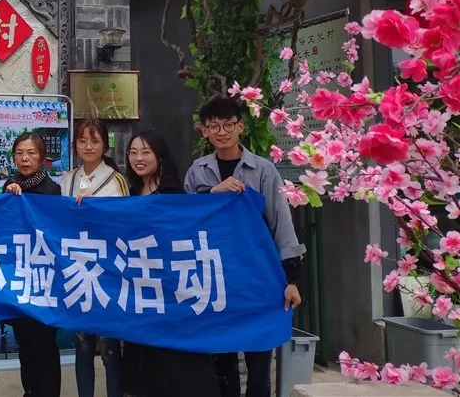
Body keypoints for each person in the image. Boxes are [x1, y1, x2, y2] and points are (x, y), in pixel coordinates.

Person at [184, 97, 306, 397]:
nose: (222, 132)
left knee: (259, 364)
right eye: (214, 126)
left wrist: (291, 279)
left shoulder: (263, 170)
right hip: (217, 279)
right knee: (222, 364)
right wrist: (213, 193)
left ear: (240, 126)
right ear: (204, 131)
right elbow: (186, 219)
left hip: (258, 278)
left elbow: (281, 223)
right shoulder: (197, 171)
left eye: (228, 125)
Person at [124, 130, 219, 397]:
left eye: (146, 152)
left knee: (170, 364)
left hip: (170, 289)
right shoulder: (129, 194)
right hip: (139, 289)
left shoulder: (175, 193)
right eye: (133, 153)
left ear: (160, 156)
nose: (138, 158)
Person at [58, 118, 127, 397]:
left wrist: (96, 208)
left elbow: (124, 222)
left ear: (104, 145)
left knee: (109, 346)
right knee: (83, 344)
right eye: (82, 140)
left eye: (94, 141)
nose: (88, 146)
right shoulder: (67, 179)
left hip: (107, 271)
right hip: (77, 269)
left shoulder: (115, 180)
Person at [3, 131, 62, 397]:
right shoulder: (9, 187)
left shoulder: (52, 190)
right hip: (17, 277)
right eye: (19, 153)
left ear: (42, 157)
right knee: (24, 343)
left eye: (31, 153)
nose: (24, 158)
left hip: (43, 280)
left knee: (43, 343)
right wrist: (9, 195)